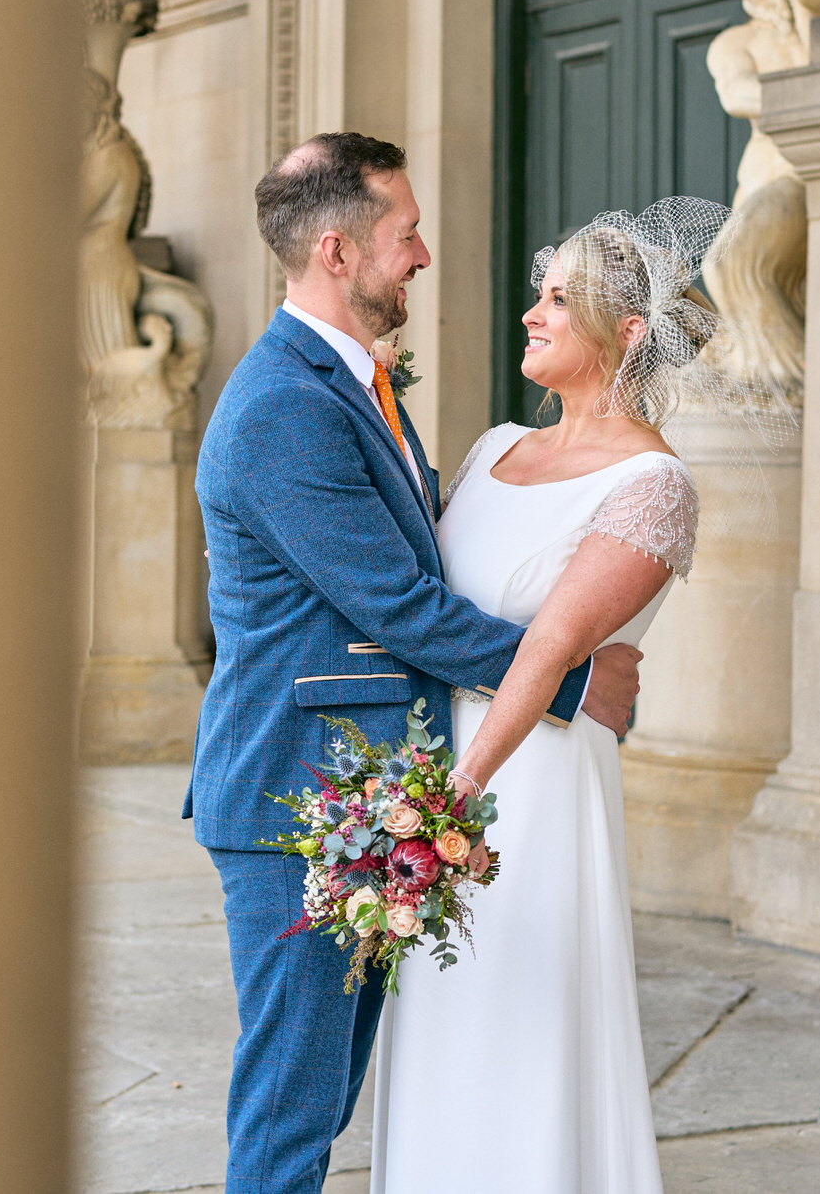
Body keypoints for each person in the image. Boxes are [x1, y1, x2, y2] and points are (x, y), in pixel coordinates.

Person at [186, 131, 644, 1194]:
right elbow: (398, 607)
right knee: (290, 1111)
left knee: (320, 1096)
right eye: (407, 234)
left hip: (353, 789)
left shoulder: (351, 381)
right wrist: (577, 681)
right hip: (291, 798)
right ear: (338, 251)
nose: (425, 255)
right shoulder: (283, 407)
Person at [369, 198, 744, 1194]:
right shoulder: (492, 449)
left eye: (556, 299)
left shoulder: (652, 483)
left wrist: (447, 803)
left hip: (524, 788)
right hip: (439, 767)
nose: (531, 313)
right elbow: (420, 611)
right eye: (537, 294)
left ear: (626, 333)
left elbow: (546, 652)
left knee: (516, 1015)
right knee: (442, 1013)